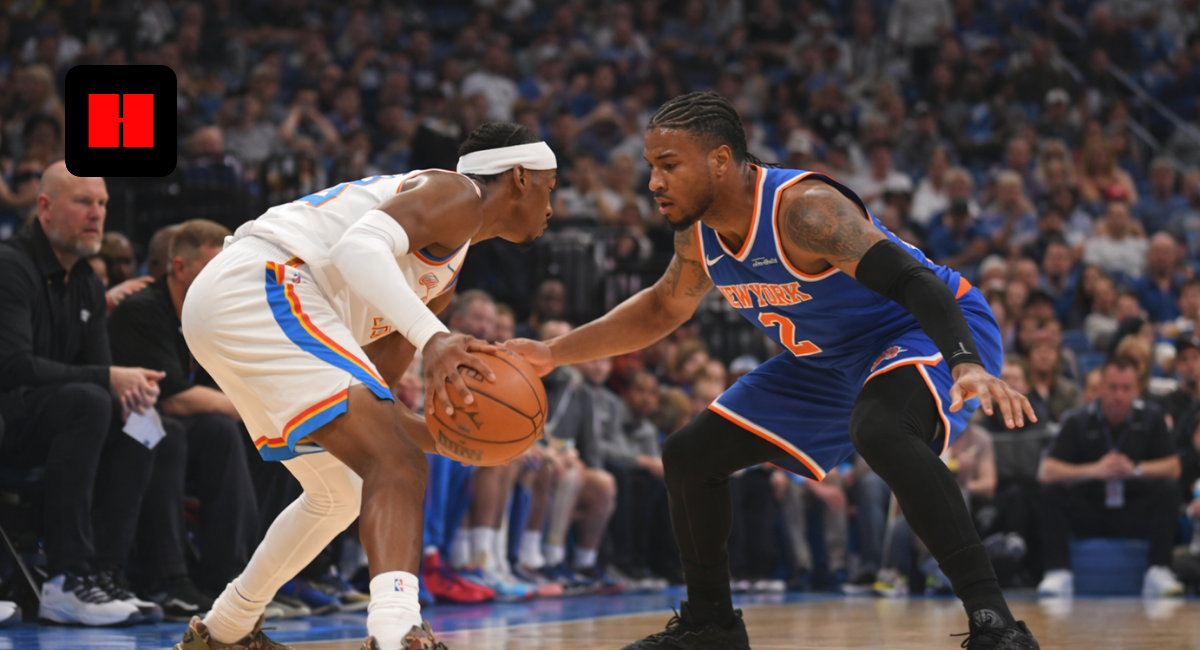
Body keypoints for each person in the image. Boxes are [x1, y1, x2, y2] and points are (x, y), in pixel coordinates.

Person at [508, 92, 1038, 649]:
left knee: (881, 429)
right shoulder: (697, 232)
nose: (654, 183)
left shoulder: (804, 210)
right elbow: (664, 307)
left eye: (668, 166)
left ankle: (995, 625)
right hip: (830, 357)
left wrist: (965, 362)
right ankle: (711, 626)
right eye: (651, 168)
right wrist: (551, 353)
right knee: (689, 456)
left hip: (924, 327)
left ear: (718, 160)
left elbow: (913, 280)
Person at [176, 122, 557, 650]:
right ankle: (398, 631)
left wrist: (452, 437)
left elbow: (377, 393)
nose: (552, 206)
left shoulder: (442, 277)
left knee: (344, 490)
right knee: (395, 463)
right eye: (550, 187)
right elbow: (359, 248)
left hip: (236, 307)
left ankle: (225, 629)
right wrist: (436, 341)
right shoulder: (456, 193)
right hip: (265, 282)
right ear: (518, 177)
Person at [0, 163, 167, 627]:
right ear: (45, 207)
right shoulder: (10, 266)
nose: (97, 214)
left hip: (64, 416)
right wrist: (109, 379)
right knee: (90, 399)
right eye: (83, 202)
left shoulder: (88, 282)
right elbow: (12, 367)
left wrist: (131, 390)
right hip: (12, 417)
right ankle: (65, 579)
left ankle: (104, 574)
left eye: (102, 204)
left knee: (147, 424)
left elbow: (101, 374)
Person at [107, 219, 258, 617]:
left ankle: (233, 579)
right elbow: (170, 398)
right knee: (169, 431)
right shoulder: (143, 310)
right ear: (179, 268)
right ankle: (167, 579)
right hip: (118, 426)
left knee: (222, 432)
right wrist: (255, 409)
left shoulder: (210, 316)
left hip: (174, 429)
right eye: (215, 268)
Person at [1037, 356, 1184, 598]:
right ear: (1102, 388)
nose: (1119, 395)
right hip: (1090, 509)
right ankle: (1057, 571)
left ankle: (1159, 569)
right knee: (1050, 493)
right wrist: (1094, 470)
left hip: (1133, 509)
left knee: (1168, 489)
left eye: (1126, 388)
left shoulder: (1151, 418)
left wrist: (1135, 469)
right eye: (1113, 387)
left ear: (1137, 389)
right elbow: (1047, 471)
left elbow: (1174, 467)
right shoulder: (1078, 419)